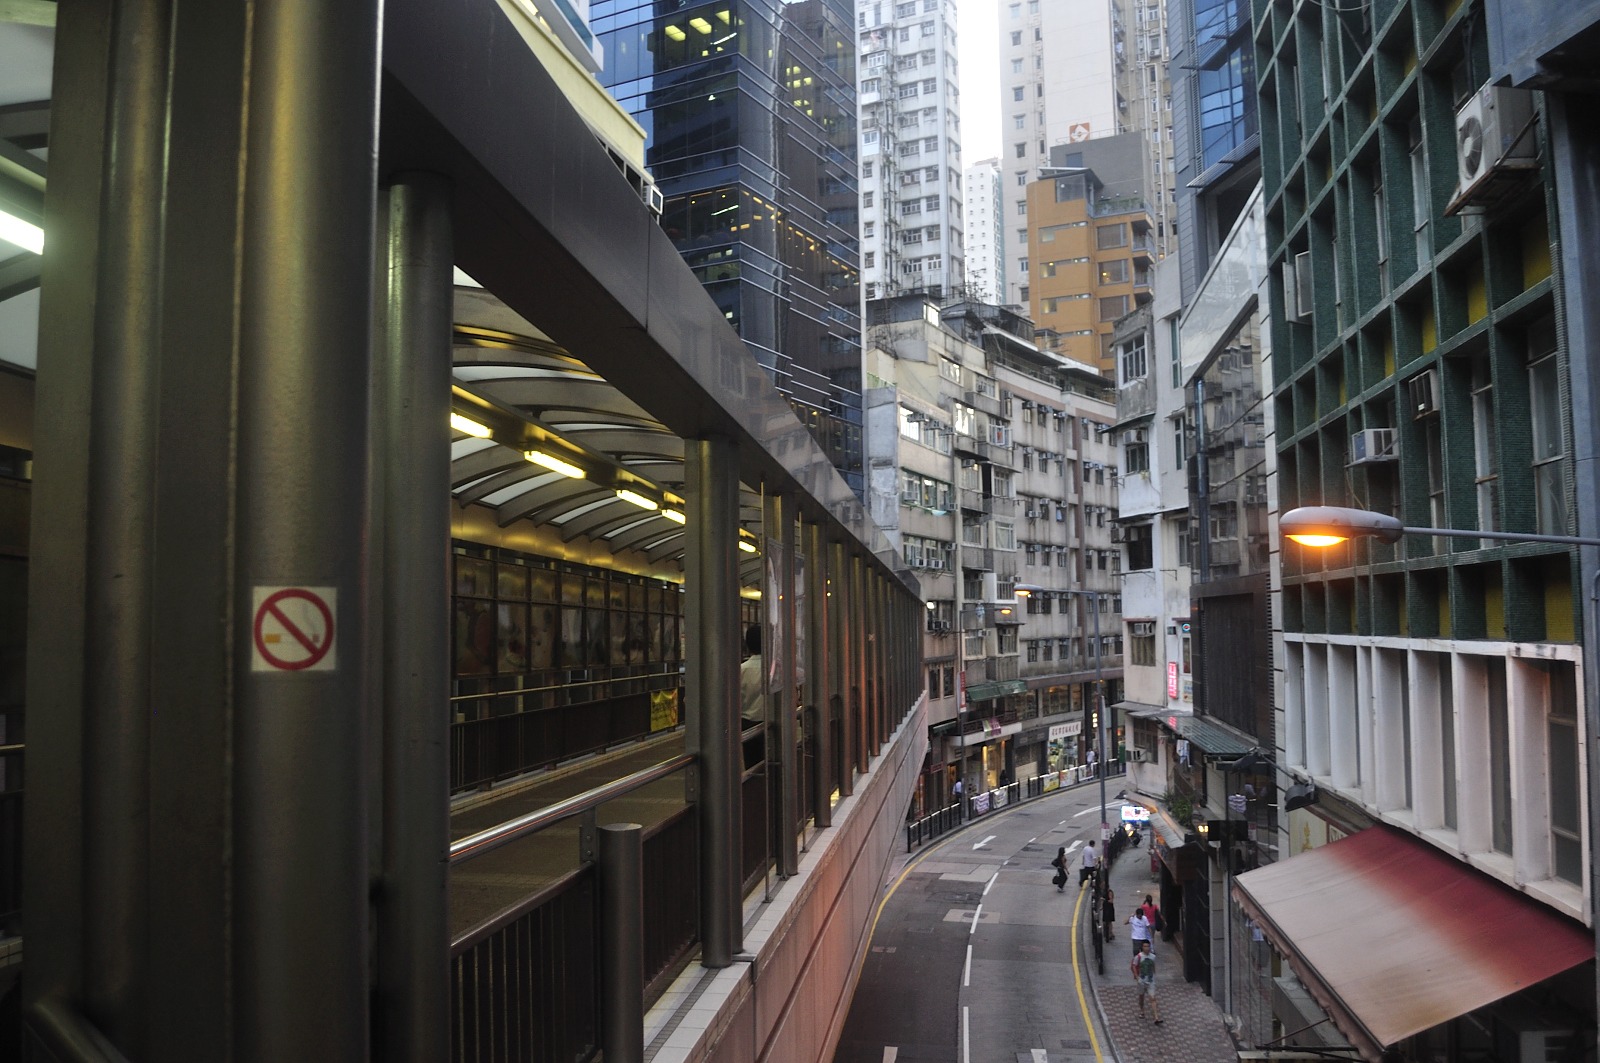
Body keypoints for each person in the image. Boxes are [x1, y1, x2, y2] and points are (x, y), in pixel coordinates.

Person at [1132, 940, 1161, 1023]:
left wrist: (1154, 976)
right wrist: (1137, 977)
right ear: (1142, 947)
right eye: (1145, 946)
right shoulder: (1139, 957)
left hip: (1150, 980)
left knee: (1153, 998)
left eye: (1148, 946)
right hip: (1141, 981)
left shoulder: (1153, 957)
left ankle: (1156, 1017)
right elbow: (1134, 966)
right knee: (1141, 997)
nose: (1147, 948)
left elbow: (1153, 967)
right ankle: (1142, 1011)